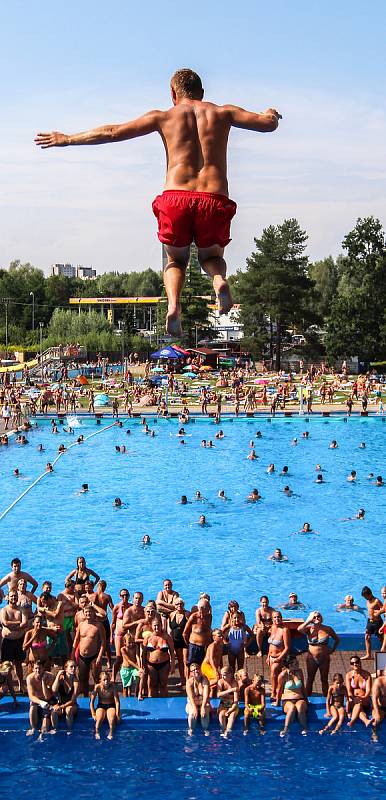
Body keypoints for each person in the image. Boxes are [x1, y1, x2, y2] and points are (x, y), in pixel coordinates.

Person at [35, 68, 281, 336]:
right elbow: (267, 124)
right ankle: (219, 281)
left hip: (176, 197)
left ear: (173, 94)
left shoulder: (163, 116)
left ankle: (174, 305)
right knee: (211, 256)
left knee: (175, 262)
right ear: (202, 93)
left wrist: (68, 139)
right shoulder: (224, 112)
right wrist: (271, 114)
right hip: (214, 197)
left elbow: (113, 131)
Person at [298, 611, 340, 696]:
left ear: (321, 618)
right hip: (312, 659)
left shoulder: (328, 629)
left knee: (324, 679)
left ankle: (326, 697)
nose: (316, 618)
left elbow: (337, 639)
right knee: (310, 679)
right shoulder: (309, 629)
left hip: (324, 658)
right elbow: (299, 629)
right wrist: (308, 621)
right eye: (314, 617)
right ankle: (308, 697)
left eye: (318, 617)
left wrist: (332, 649)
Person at [71, 606, 106, 695]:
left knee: (96, 678)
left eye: (90, 612)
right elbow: (76, 640)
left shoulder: (99, 625)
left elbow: (103, 642)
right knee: (83, 679)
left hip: (94, 656)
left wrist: (99, 657)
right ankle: (86, 697)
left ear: (94, 612)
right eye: (86, 612)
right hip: (82, 656)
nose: (88, 614)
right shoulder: (81, 625)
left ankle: (99, 697)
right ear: (83, 613)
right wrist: (72, 654)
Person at [0, 588, 28, 692]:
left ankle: (21, 685)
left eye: (15, 596)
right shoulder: (4, 610)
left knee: (19, 665)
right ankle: (9, 687)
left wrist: (11, 625)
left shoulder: (22, 609)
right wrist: (18, 623)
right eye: (12, 596)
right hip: (7, 642)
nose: (14, 597)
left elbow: (24, 623)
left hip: (19, 641)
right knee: (7, 666)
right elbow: (5, 623)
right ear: (8, 597)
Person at [275, 654, 308, 737]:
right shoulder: (283, 675)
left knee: (300, 707)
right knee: (292, 708)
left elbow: (303, 687)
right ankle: (285, 729)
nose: (298, 664)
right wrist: (277, 702)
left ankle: (304, 728)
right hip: (287, 700)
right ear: (290, 665)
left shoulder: (299, 672)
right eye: (296, 663)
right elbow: (279, 690)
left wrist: (306, 700)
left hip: (300, 698)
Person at [26, 660, 57, 738]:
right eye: (36, 668)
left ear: (43, 668)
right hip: (38, 700)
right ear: (33, 669)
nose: (37, 670)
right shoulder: (30, 678)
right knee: (32, 707)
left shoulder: (50, 676)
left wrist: (43, 681)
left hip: (48, 701)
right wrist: (40, 702)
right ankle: (33, 728)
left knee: (45, 729)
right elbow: (31, 696)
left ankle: (43, 733)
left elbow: (48, 697)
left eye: (39, 668)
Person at [145, 617, 175, 697]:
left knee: (163, 684)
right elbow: (143, 653)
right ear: (151, 626)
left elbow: (172, 652)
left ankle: (164, 703)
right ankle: (152, 704)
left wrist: (172, 665)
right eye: (155, 625)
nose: (156, 627)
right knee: (152, 685)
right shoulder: (148, 637)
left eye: (158, 625)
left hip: (164, 664)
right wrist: (143, 665)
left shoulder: (166, 637)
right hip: (151, 664)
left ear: (161, 625)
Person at [266, 611, 290, 701]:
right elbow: (271, 645)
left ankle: (274, 692)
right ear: (272, 619)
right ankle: (279, 691)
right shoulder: (272, 628)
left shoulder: (285, 630)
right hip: (271, 657)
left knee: (273, 673)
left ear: (281, 618)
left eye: (278, 617)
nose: (277, 619)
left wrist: (280, 658)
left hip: (279, 657)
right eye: (275, 617)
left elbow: (287, 647)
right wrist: (268, 656)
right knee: (276, 676)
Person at [90, 671, 121, 740]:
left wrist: (118, 714)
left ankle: (111, 733)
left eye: (107, 679)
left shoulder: (113, 687)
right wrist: (93, 713)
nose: (106, 681)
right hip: (101, 706)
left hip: (111, 705)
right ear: (100, 680)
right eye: (104, 680)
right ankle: (97, 732)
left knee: (111, 719)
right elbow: (91, 702)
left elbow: (117, 702)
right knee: (99, 719)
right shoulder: (97, 687)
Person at [51, 660, 79, 733]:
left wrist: (61, 707)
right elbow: (54, 690)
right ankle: (55, 730)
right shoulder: (61, 679)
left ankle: (69, 730)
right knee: (54, 711)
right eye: (71, 667)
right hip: (61, 704)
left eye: (74, 667)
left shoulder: (76, 682)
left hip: (72, 705)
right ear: (66, 668)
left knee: (68, 710)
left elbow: (73, 700)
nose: (73, 669)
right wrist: (57, 676)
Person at [345, 656, 372, 728]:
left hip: (365, 699)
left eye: (356, 662)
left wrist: (364, 697)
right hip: (354, 699)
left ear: (360, 663)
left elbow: (368, 690)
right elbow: (349, 691)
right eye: (352, 663)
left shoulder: (367, 675)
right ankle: (366, 721)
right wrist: (354, 698)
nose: (355, 664)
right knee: (359, 706)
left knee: (359, 703)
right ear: (350, 665)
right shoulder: (349, 675)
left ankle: (352, 721)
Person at [185, 663, 211, 735]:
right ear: (191, 673)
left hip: (203, 703)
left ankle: (205, 730)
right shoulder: (189, 682)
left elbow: (206, 695)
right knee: (192, 714)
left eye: (197, 669)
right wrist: (195, 708)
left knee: (204, 713)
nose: (196, 671)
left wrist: (203, 707)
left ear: (200, 670)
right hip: (192, 703)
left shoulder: (205, 680)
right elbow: (190, 697)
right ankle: (191, 730)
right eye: (193, 670)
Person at [169, 597, 190, 688]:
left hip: (185, 641)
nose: (179, 606)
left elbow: (192, 626)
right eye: (177, 604)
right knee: (180, 661)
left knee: (185, 661)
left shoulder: (187, 614)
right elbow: (170, 629)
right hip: (176, 640)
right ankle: (182, 680)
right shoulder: (171, 615)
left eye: (181, 604)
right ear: (174, 605)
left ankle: (188, 680)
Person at [361, 585, 383, 660]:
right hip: (370, 621)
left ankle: (384, 651)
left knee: (381, 638)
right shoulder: (367, 601)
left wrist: (378, 612)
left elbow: (384, 609)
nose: (365, 598)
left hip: (377, 622)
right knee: (367, 637)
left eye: (366, 596)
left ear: (370, 594)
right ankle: (368, 654)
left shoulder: (376, 601)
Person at [217, 666, 239, 738]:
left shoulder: (234, 683)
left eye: (225, 674)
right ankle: (223, 731)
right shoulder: (221, 682)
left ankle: (228, 732)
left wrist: (231, 710)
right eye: (222, 674)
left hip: (233, 704)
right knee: (221, 715)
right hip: (223, 704)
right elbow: (218, 694)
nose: (223, 676)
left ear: (230, 674)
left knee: (231, 716)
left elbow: (236, 701)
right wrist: (231, 690)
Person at [120, 631, 141, 697]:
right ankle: (126, 699)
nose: (131, 644)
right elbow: (128, 661)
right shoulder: (123, 649)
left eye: (132, 642)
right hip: (125, 669)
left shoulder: (135, 647)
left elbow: (137, 656)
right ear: (125, 642)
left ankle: (136, 694)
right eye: (129, 643)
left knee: (138, 678)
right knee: (126, 688)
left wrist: (139, 666)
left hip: (133, 668)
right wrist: (139, 668)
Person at [371, 667, 386, 742]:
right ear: (384, 672)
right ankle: (374, 734)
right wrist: (377, 713)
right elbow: (374, 699)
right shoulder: (378, 682)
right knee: (375, 721)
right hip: (381, 707)